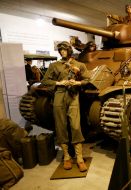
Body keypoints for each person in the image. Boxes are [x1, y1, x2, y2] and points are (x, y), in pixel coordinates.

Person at [41, 41, 90, 172]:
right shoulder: (54, 65)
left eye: (64, 49)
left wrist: (78, 83)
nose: (62, 52)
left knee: (75, 126)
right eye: (60, 50)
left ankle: (79, 158)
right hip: (59, 95)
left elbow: (88, 79)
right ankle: (67, 157)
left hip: (73, 96)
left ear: (69, 50)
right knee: (61, 126)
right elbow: (45, 81)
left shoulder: (79, 65)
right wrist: (59, 82)